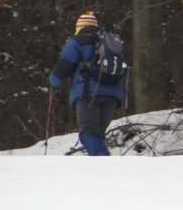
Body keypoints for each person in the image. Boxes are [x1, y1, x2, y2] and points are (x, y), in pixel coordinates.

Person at [48, 12, 126, 156]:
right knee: (97, 133)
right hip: (113, 94)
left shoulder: (78, 41)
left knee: (87, 132)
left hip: (88, 93)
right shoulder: (110, 41)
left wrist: (53, 80)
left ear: (79, 27)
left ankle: (104, 161)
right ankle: (99, 164)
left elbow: (64, 66)